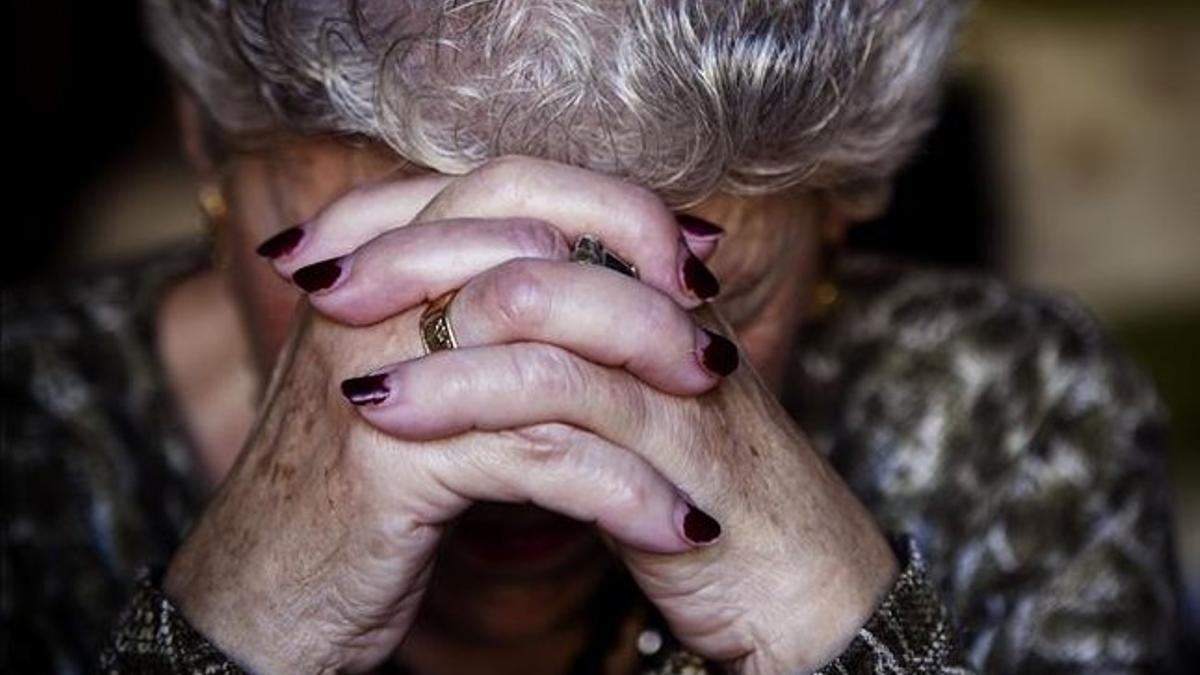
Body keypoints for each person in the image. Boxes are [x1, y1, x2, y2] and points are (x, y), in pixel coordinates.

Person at [1, 1, 1185, 673]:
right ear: (206, 145)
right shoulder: (23, 438)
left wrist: (837, 629)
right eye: (389, 262)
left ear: (841, 205)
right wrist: (234, 636)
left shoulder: (1023, 415)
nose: (522, 415)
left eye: (677, 288)